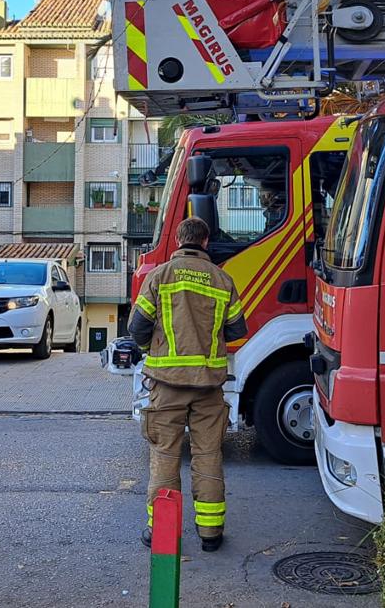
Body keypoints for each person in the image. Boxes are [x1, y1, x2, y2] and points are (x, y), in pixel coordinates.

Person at [127, 216, 248, 552]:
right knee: (208, 455)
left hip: (166, 385)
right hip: (209, 386)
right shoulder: (223, 280)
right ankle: (211, 533)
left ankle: (162, 532)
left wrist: (151, 350)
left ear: (179, 240)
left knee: (165, 456)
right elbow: (238, 330)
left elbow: (137, 328)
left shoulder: (159, 277)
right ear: (206, 242)